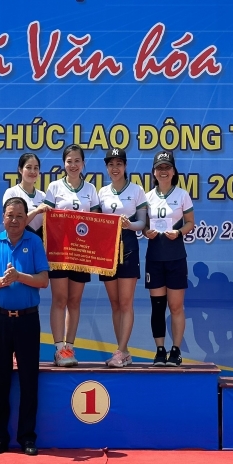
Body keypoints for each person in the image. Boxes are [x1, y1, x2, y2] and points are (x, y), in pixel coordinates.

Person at [0, 197, 50, 456]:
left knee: (29, 379)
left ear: (25, 218)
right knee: (0, 380)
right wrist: (3, 281)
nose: (15, 220)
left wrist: (19, 277)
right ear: (3, 217)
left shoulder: (34, 242)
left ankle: (27, 437)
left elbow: (43, 280)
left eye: (20, 216)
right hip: (0, 319)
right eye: (10, 215)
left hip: (28, 319)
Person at [36, 144, 101, 366]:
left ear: (83, 164)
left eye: (77, 161)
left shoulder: (90, 189)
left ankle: (69, 349)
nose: (73, 165)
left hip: (81, 253)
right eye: (69, 161)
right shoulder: (54, 187)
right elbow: (45, 218)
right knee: (60, 299)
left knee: (74, 300)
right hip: (59, 252)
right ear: (63, 164)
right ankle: (58, 349)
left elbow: (97, 221)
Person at [97, 148, 148, 367]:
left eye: (119, 164)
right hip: (107, 248)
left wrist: (129, 224)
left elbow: (142, 223)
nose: (115, 168)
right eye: (111, 164)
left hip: (128, 245)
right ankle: (123, 351)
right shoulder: (101, 192)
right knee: (115, 303)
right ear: (107, 167)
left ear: (125, 166)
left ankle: (120, 351)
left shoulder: (137, 190)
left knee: (126, 302)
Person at [144, 150, 195, 366]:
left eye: (167, 167)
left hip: (176, 257)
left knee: (175, 306)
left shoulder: (182, 195)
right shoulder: (147, 197)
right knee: (157, 306)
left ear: (174, 171)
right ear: (154, 172)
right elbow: (144, 224)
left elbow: (190, 222)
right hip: (155, 257)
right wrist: (146, 232)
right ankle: (159, 350)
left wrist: (179, 232)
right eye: (159, 168)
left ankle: (175, 350)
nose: (163, 171)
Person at [1, 153, 45, 235]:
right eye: (28, 167)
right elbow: (12, 223)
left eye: (36, 168)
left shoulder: (43, 195)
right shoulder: (12, 193)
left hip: (39, 241)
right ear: (20, 170)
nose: (33, 171)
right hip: (19, 240)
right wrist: (36, 211)